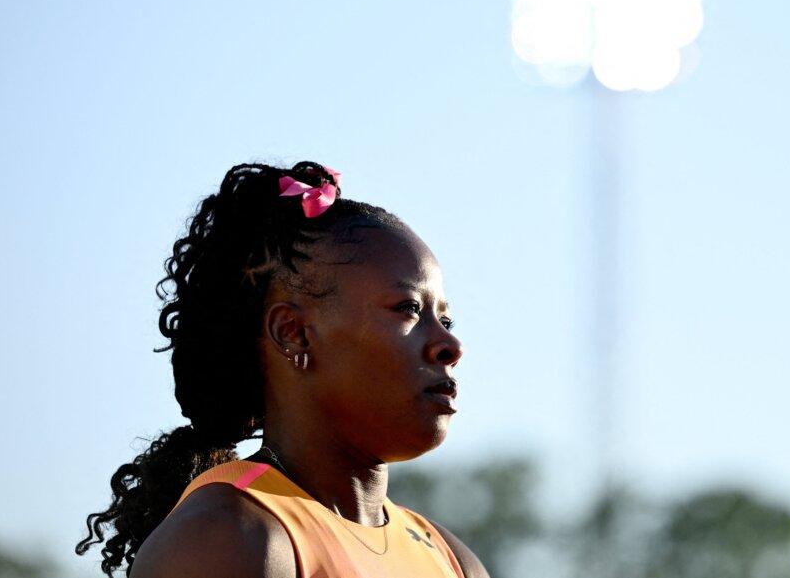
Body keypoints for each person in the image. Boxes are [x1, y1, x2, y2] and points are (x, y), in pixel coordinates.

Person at [76, 161, 489, 578]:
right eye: (408, 309)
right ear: (293, 334)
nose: (450, 346)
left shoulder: (451, 559)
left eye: (446, 320)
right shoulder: (229, 539)